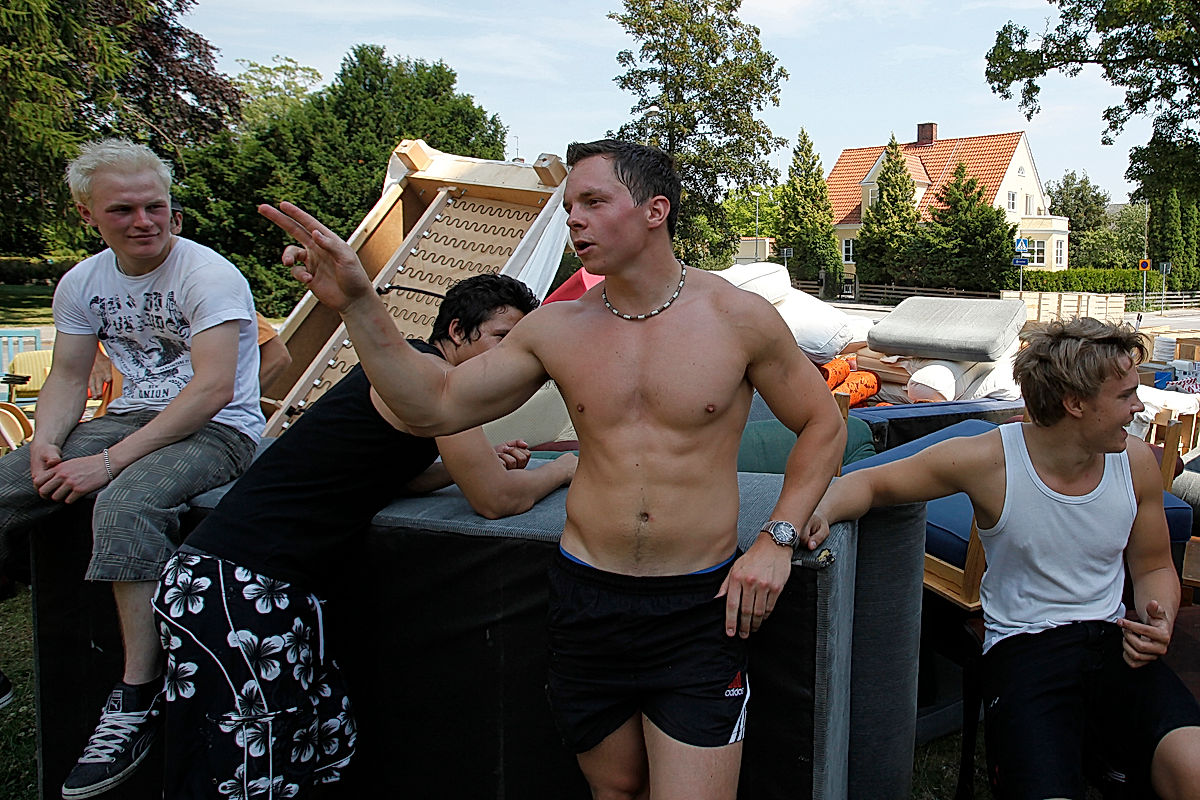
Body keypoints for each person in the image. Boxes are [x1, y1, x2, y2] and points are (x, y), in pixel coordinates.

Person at [259, 139, 845, 799]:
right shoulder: (555, 328)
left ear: (656, 210)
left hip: (698, 608)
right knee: (615, 788)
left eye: (594, 201)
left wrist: (777, 536)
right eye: (570, 206)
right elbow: (433, 405)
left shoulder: (738, 317)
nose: (574, 218)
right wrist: (360, 305)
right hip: (585, 599)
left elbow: (824, 422)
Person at [152, 273, 577, 798]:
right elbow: (497, 500)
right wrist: (561, 469)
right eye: (501, 340)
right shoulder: (431, 376)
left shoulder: (411, 376)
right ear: (458, 331)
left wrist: (469, 465)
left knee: (318, 750)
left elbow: (393, 471)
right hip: (238, 588)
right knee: (250, 777)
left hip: (244, 584)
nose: (512, 360)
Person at [805, 318, 1200, 800]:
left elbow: (1155, 566)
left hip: (1111, 641)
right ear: (1075, 404)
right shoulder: (990, 461)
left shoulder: (1135, 463)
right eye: (1126, 396)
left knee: (1193, 769)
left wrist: (1160, 618)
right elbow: (869, 483)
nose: (1139, 407)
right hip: (1026, 651)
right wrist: (810, 516)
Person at [0, 138, 265, 799]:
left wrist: (108, 464)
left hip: (217, 429)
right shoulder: (84, 282)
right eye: (124, 211)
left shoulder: (208, 275)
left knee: (122, 504)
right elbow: (64, 375)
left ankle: (137, 695)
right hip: (127, 419)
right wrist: (46, 441)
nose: (145, 222)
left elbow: (210, 390)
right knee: (5, 485)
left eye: (157, 207)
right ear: (87, 215)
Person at [89, 199, 293, 406]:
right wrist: (95, 358)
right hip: (115, 417)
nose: (142, 224)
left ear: (176, 223)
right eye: (124, 213)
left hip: (180, 429)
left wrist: (220, 409)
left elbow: (276, 357)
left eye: (156, 213)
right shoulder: (95, 283)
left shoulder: (208, 289)